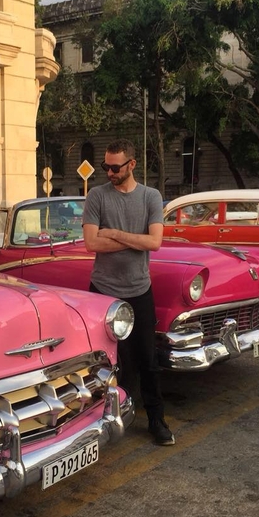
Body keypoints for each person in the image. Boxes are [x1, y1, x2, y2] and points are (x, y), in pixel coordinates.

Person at [82, 139, 174, 446]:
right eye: (105, 166)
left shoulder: (151, 196)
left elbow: (156, 243)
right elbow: (92, 244)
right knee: (103, 362)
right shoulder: (96, 195)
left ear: (131, 164)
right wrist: (138, 239)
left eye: (115, 167)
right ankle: (97, 421)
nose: (109, 172)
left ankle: (156, 421)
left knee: (147, 360)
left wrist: (114, 233)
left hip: (139, 289)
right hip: (102, 293)